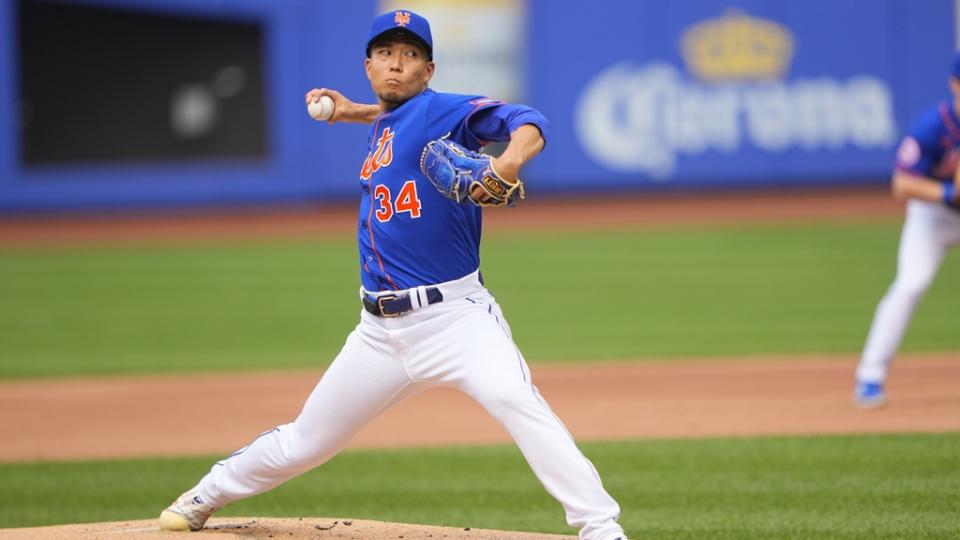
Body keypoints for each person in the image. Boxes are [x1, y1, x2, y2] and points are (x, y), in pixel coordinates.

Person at [158, 9, 627, 540]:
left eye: (410, 55)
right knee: (308, 440)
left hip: (456, 320)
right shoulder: (387, 120)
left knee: (515, 400)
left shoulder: (440, 112)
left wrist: (508, 162)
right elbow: (389, 117)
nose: (396, 64)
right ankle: (206, 494)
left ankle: (600, 527)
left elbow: (527, 119)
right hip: (379, 333)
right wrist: (349, 111)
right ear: (369, 65)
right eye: (386, 54)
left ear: (429, 70)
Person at [853, 52, 960, 408]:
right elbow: (901, 184)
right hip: (933, 215)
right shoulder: (934, 126)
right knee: (912, 282)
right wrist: (947, 193)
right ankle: (870, 375)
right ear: (954, 85)